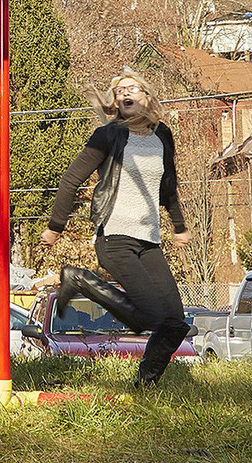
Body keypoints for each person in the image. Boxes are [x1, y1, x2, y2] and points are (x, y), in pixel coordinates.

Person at [40, 69, 192, 386]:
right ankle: (79, 279)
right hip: (114, 238)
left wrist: (179, 226)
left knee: (176, 322)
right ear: (116, 101)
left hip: (149, 241)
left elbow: (169, 185)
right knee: (150, 316)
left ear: (147, 97)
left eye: (133, 87)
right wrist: (56, 227)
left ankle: (146, 381)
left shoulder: (162, 134)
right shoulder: (108, 136)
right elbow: (71, 180)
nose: (126, 92)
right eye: (119, 89)